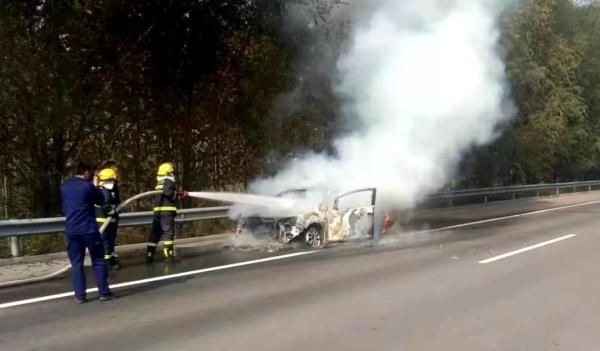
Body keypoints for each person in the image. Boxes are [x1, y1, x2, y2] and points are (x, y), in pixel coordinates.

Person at [60, 161, 113, 303]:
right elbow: (102, 200)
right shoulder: (87, 186)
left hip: (71, 230)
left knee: (76, 263)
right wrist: (96, 185)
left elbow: (63, 205)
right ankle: (104, 292)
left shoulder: (64, 186)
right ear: (87, 172)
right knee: (98, 260)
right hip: (88, 229)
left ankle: (80, 296)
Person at [146, 162, 188, 263]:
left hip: (158, 214)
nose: (173, 175)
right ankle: (169, 255)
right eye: (172, 173)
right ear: (168, 173)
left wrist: (178, 193)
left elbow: (166, 193)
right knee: (169, 234)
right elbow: (170, 194)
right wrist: (177, 196)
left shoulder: (159, 183)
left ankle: (149, 255)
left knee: (155, 234)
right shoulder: (168, 181)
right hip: (166, 214)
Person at [95, 167, 121, 270]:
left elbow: (115, 202)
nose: (115, 182)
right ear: (109, 180)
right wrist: (113, 212)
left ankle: (111, 258)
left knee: (110, 241)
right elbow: (105, 206)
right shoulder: (103, 192)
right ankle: (107, 263)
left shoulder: (108, 190)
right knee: (106, 242)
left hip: (110, 221)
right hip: (104, 222)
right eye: (113, 180)